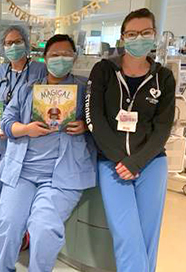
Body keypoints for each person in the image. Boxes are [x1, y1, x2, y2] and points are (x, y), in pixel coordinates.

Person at [0, 34, 97, 272]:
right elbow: (7, 122)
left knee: (44, 228)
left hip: (62, 175)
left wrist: (86, 126)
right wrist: (26, 129)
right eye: (54, 55)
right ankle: (2, 268)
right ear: (44, 58)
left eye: (66, 54)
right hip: (23, 171)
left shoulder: (85, 90)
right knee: (8, 223)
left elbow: (100, 123)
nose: (61, 59)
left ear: (75, 57)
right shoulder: (28, 89)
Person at [85, 8, 175, 272]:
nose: (139, 38)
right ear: (123, 37)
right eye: (132, 33)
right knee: (126, 235)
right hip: (111, 163)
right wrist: (121, 159)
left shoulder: (163, 77)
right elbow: (94, 118)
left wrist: (137, 161)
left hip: (151, 162)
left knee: (148, 235)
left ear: (154, 35)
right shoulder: (103, 70)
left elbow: (162, 127)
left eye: (145, 32)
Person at [0, 25, 47, 263]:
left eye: (17, 41)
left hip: (25, 143)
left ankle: (16, 237)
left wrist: (14, 127)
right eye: (8, 43)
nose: (12, 47)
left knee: (2, 192)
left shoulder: (40, 70)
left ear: (27, 43)